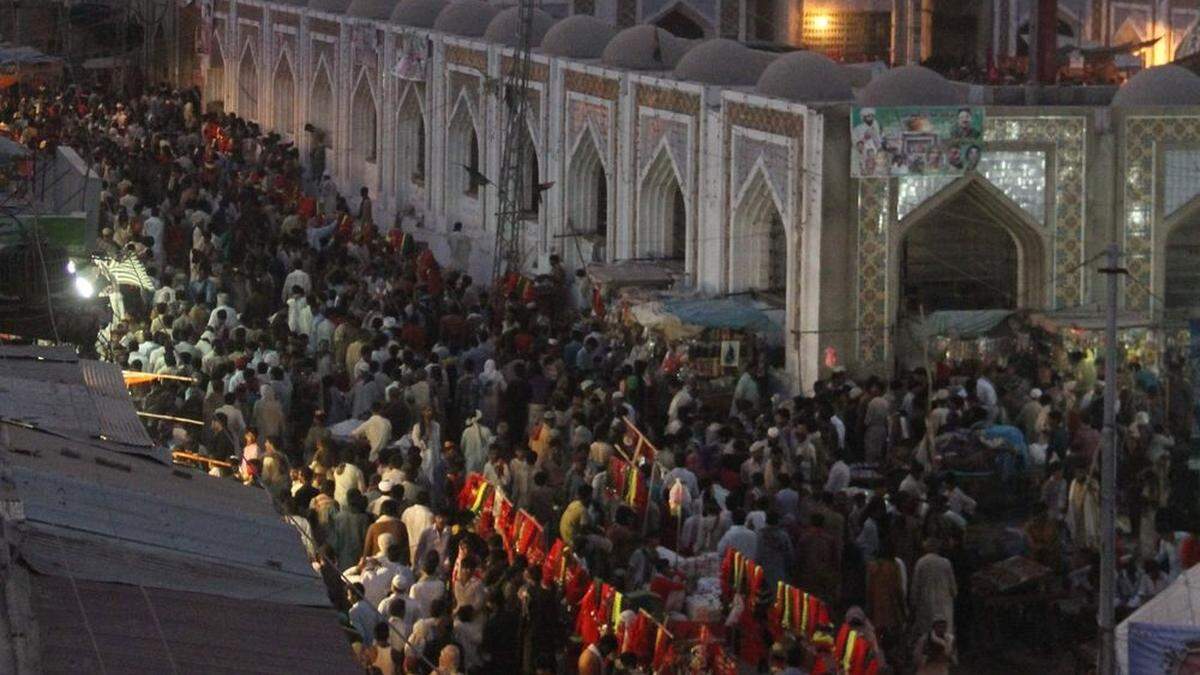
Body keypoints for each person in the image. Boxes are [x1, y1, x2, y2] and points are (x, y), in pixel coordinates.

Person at [910, 539, 958, 636]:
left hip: (926, 607)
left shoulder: (921, 563)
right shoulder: (946, 563)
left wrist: (913, 604)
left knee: (927, 637)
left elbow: (915, 587)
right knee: (945, 638)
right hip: (944, 606)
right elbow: (953, 589)